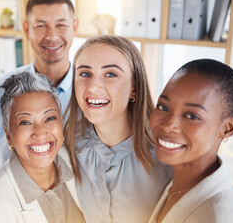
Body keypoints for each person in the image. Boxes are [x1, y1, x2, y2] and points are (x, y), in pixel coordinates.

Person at [0, 0, 79, 184]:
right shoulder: (0, 89)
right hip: (10, 204)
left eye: (61, 25)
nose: (52, 36)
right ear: (27, 30)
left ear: (74, 28)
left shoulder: (90, 93)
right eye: (41, 26)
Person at [64, 35, 171, 223]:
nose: (94, 86)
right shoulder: (68, 141)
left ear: (134, 88)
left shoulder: (166, 152)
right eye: (85, 74)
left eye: (111, 74)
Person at [0, 71, 84, 222]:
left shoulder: (83, 163)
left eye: (50, 118)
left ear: (61, 124)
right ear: (8, 136)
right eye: (25, 122)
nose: (40, 132)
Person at [148, 59, 233, 222]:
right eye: (163, 107)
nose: (168, 126)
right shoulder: (174, 182)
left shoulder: (220, 216)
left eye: (192, 116)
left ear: (227, 128)